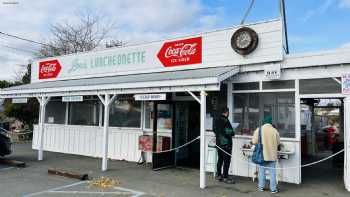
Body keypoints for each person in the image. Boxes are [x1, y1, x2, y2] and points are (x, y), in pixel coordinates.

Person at [252, 115, 280, 194]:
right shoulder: (274, 130)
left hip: (262, 155)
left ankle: (261, 187)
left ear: (264, 121)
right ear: (271, 122)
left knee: (261, 171)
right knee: (272, 173)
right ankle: (273, 189)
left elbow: (254, 141)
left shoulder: (259, 129)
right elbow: (278, 142)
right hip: (272, 155)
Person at [213, 107, 235, 184]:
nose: (228, 114)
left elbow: (214, 130)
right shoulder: (225, 120)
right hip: (226, 144)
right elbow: (230, 132)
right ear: (226, 112)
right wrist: (232, 132)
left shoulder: (216, 120)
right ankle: (225, 177)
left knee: (220, 159)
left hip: (219, 144)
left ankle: (219, 175)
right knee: (227, 161)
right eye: (228, 112)